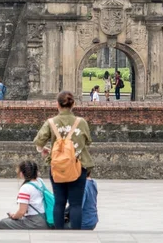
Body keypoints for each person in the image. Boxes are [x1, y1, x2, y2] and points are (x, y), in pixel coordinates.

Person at [33, 91, 94, 230]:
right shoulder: (81, 122)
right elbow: (88, 141)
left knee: (59, 202)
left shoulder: (51, 122)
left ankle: (59, 234)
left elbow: (39, 142)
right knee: (76, 204)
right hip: (78, 166)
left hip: (58, 167)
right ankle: (76, 235)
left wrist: (44, 149)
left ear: (57, 105)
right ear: (73, 104)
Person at [0, 160, 49, 230]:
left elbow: (22, 212)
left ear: (22, 173)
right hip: (45, 218)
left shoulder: (26, 187)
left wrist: (13, 216)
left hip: (35, 222)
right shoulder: (40, 181)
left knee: (3, 223)